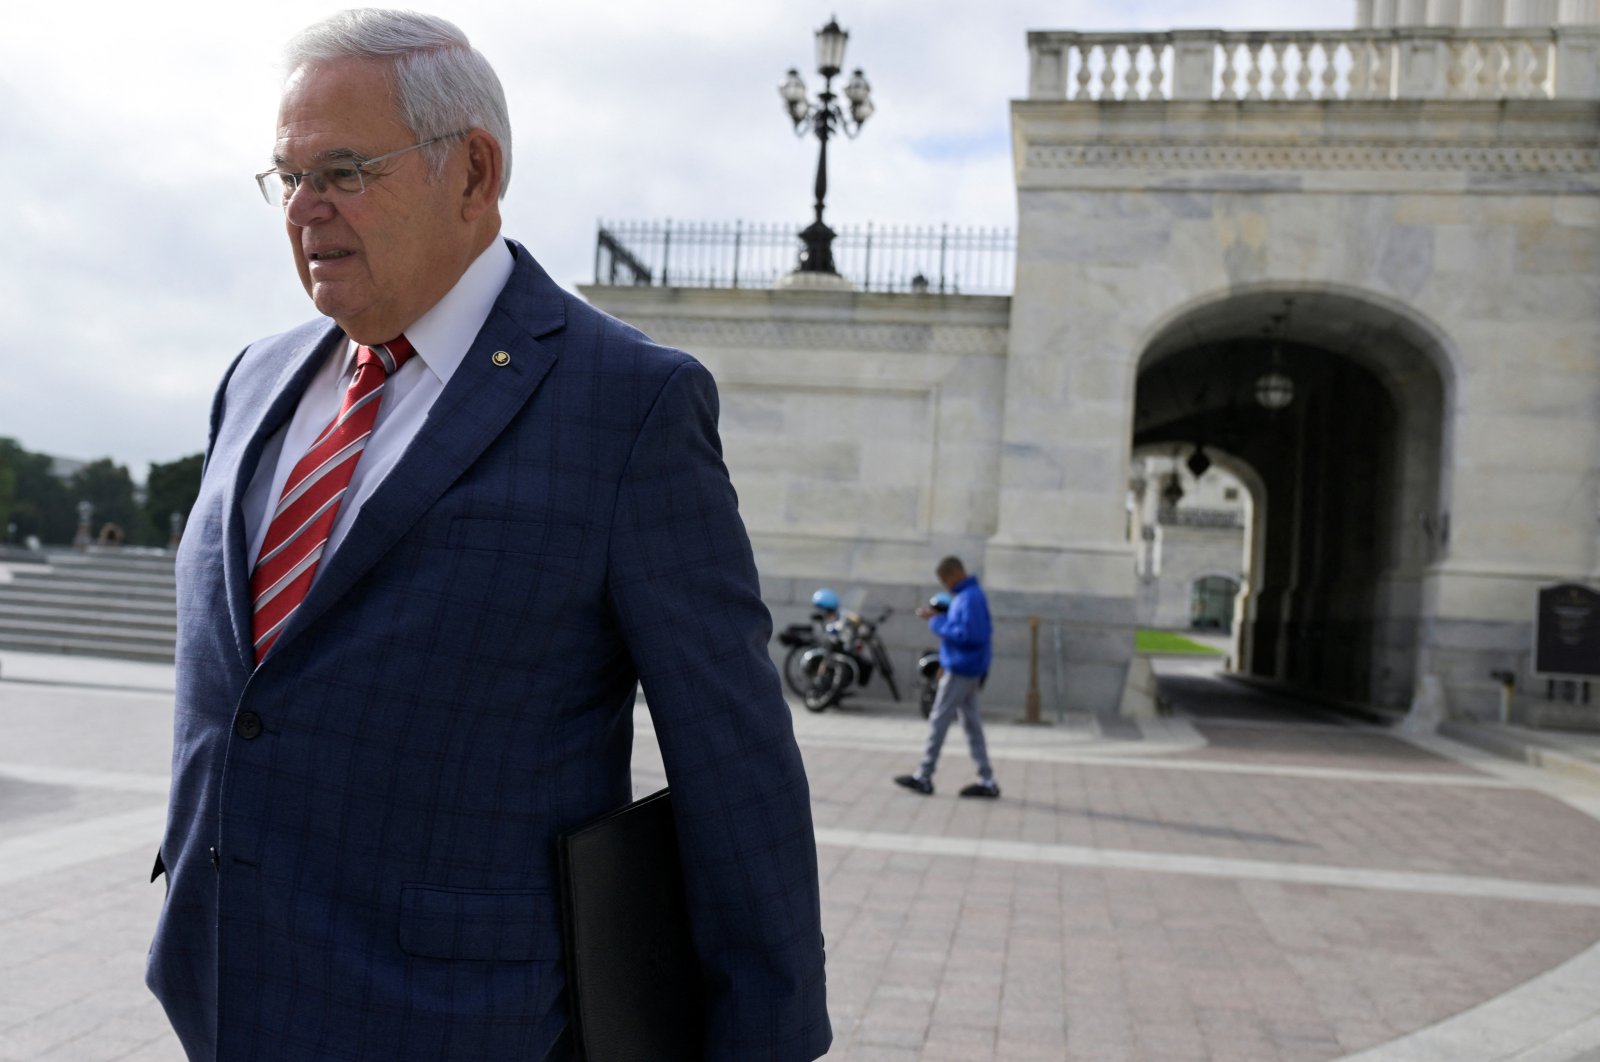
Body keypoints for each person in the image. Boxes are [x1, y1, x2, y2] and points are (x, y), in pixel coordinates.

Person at [144, 11, 829, 1061]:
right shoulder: (255, 379)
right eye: (285, 177)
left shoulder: (628, 408)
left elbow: (735, 762)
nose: (304, 211)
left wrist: (763, 1039)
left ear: (472, 171)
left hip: (458, 1024)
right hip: (223, 989)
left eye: (342, 170)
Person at [895, 556, 1000, 798]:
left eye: (945, 580)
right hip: (967, 668)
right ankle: (987, 779)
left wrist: (937, 622)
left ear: (954, 574)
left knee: (939, 719)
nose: (945, 585)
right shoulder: (970, 596)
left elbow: (969, 635)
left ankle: (924, 775)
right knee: (971, 725)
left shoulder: (969, 598)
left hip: (962, 669)